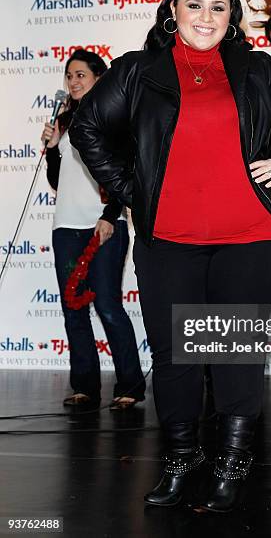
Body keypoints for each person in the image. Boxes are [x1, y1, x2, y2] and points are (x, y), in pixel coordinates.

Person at [69, 0, 271, 511]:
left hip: (251, 237)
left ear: (232, 16)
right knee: (176, 358)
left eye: (218, 6)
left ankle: (232, 465)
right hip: (169, 240)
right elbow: (87, 126)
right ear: (173, 11)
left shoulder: (254, 69)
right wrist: (129, 187)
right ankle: (181, 459)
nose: (206, 16)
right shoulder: (140, 70)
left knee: (234, 354)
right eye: (194, 5)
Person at [41, 49, 146, 410]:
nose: (73, 81)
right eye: (69, 75)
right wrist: (53, 149)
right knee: (73, 308)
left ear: (99, 78)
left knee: (108, 306)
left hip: (103, 223)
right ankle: (84, 385)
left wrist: (111, 213)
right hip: (66, 226)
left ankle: (130, 385)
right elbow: (59, 180)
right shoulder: (65, 123)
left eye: (81, 74)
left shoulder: (112, 119)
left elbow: (123, 175)